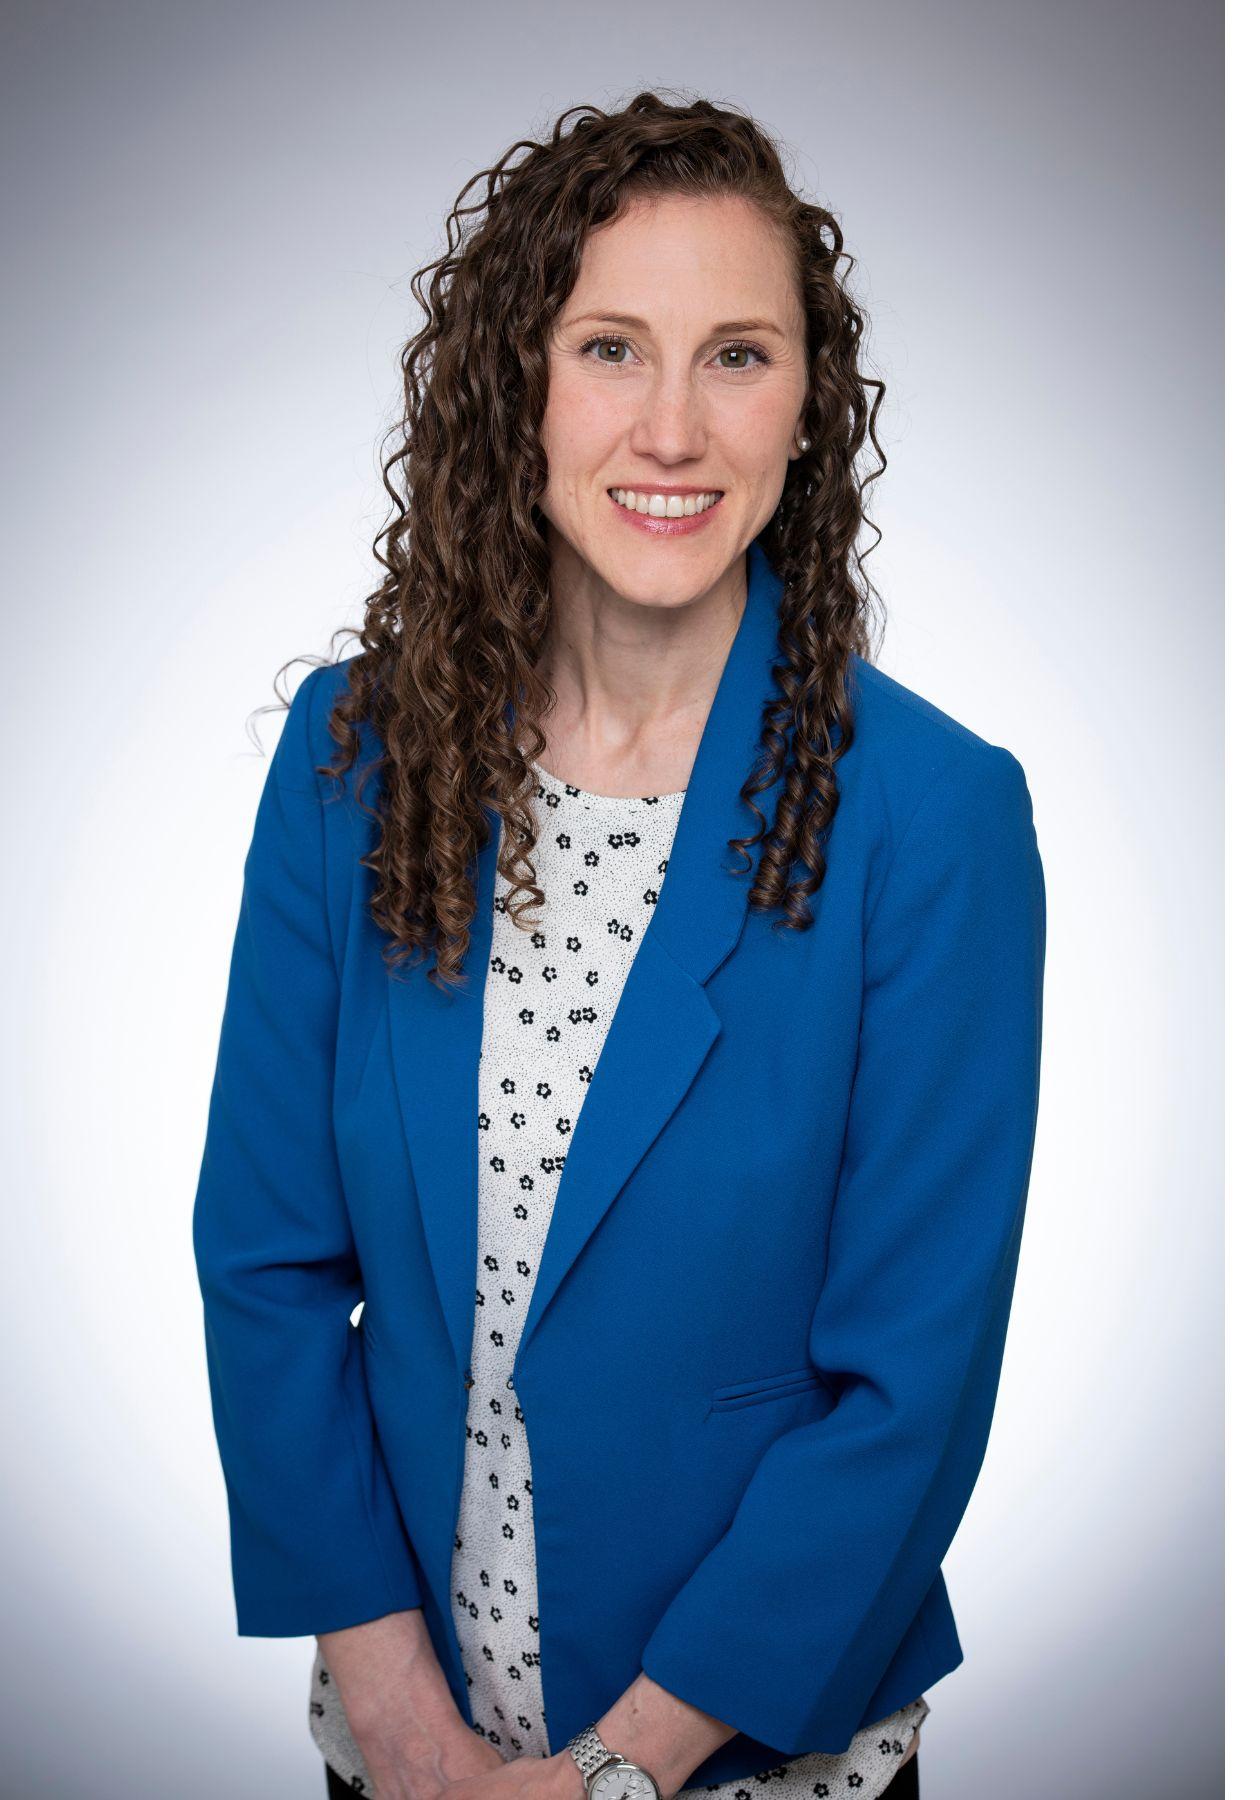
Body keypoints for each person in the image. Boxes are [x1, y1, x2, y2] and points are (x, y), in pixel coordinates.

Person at [193, 91, 1045, 1800]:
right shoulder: (358, 760)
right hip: (406, 1750)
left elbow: (911, 1388)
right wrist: (407, 1737)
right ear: (517, 385)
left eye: (737, 356)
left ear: (809, 405)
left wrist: (618, 1771)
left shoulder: (934, 817)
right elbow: (267, 1264)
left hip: (756, 1763)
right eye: (609, 349)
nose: (671, 428)